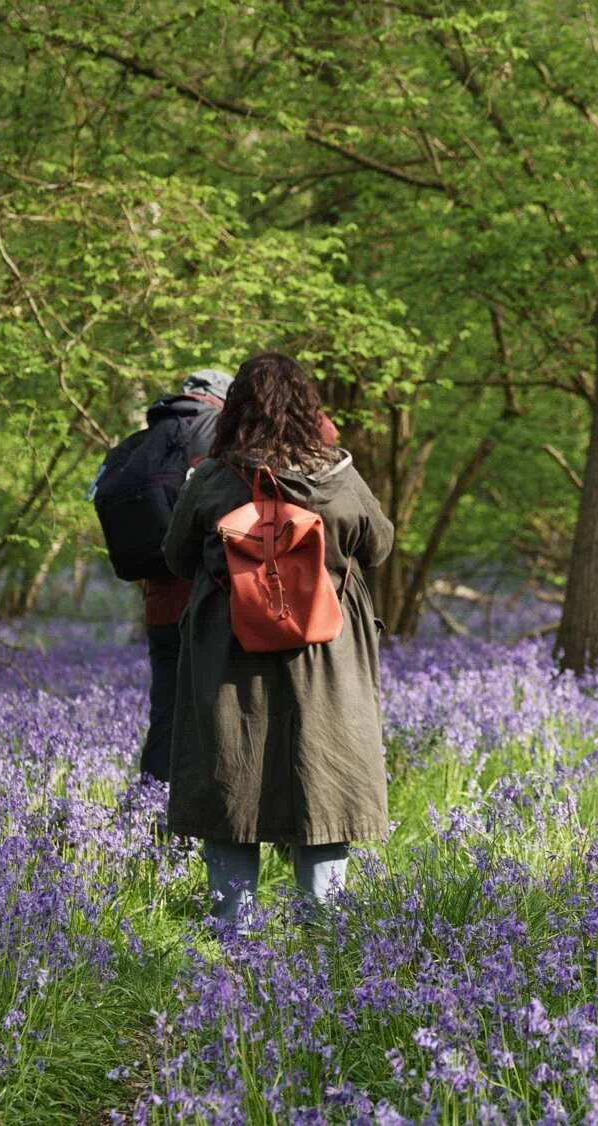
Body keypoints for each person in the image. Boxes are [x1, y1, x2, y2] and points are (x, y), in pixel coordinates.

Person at [162, 352, 394, 924]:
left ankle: (232, 937)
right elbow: (381, 544)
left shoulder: (214, 479)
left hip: (228, 659)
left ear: (236, 408)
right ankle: (326, 935)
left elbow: (174, 556)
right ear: (307, 407)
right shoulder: (338, 476)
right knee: (324, 777)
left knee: (230, 780)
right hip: (325, 659)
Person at [90, 369, 232, 783]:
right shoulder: (220, 432)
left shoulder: (147, 439)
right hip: (211, 602)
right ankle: (214, 828)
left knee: (167, 716)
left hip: (159, 605)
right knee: (219, 718)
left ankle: (154, 824)